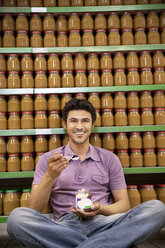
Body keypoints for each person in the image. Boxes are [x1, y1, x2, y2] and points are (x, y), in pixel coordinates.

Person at [7, 98, 165, 248]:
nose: (79, 126)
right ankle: (108, 244)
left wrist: (100, 208)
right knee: (17, 219)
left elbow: (124, 205)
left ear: (93, 124)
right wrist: (50, 175)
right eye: (73, 120)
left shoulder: (110, 159)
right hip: (63, 227)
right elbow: (34, 208)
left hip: (104, 223)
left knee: (157, 209)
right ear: (64, 124)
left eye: (85, 120)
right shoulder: (48, 160)